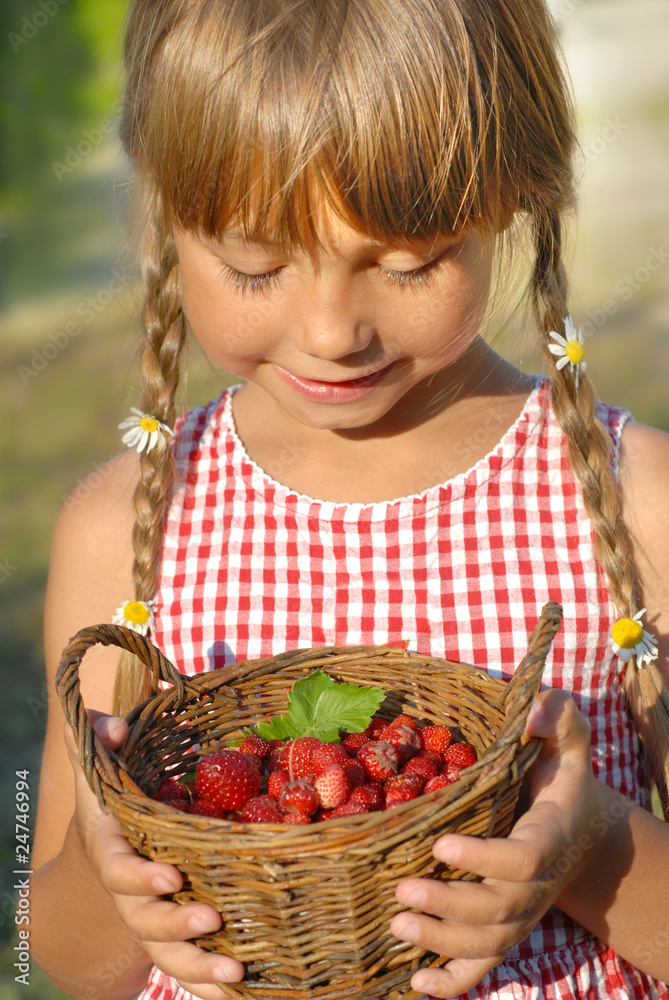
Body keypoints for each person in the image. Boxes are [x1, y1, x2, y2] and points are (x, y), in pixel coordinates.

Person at [29, 1, 669, 998]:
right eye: (255, 266)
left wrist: (587, 849)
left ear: (518, 193)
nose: (331, 330)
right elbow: (62, 960)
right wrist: (116, 874)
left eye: (409, 262)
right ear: (164, 215)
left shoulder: (637, 505)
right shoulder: (119, 531)